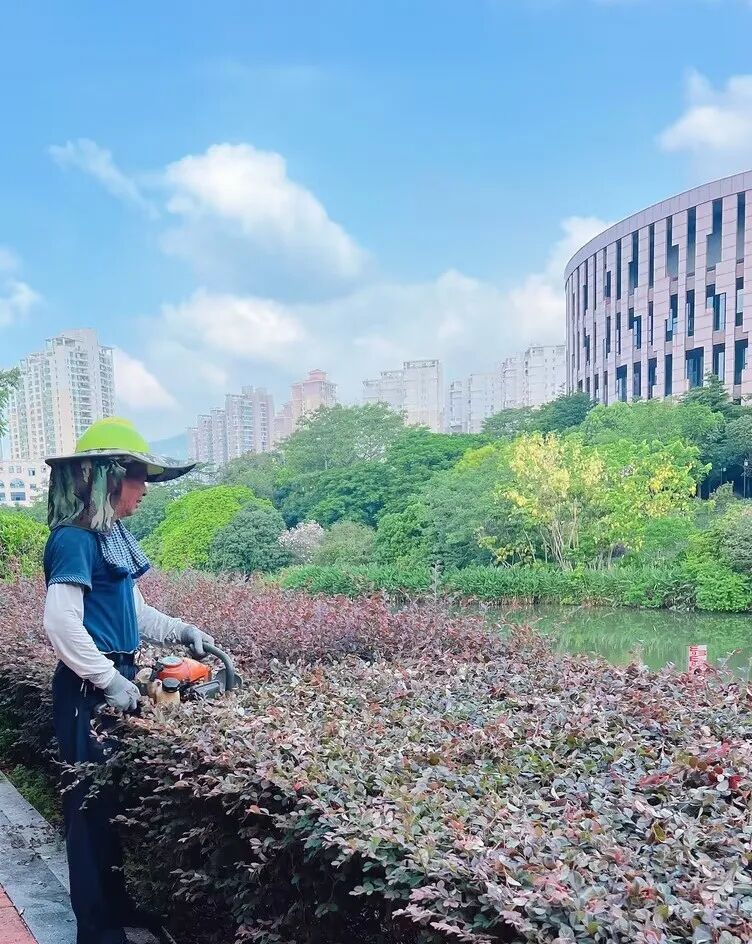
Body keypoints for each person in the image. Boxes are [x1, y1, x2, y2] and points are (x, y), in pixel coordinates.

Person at [42, 417, 214, 944]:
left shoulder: (111, 537)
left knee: (110, 803)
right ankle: (96, 930)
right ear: (110, 478)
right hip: (86, 690)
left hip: (114, 678)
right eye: (139, 478)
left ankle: (115, 906)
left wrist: (181, 631)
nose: (144, 490)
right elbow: (61, 624)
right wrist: (106, 680)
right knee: (87, 809)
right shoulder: (73, 539)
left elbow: (133, 611)